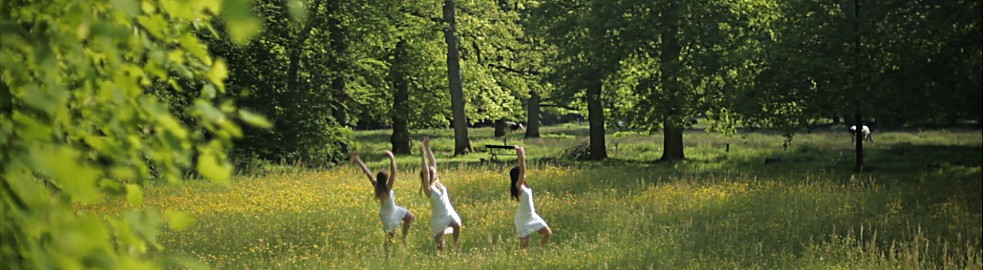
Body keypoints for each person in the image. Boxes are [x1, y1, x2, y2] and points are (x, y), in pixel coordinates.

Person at [351, 150, 415, 244]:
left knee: (410, 217)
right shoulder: (387, 189)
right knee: (390, 238)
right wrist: (392, 158)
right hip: (388, 214)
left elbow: (367, 172)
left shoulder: (376, 186)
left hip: (392, 210)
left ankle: (403, 239)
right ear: (385, 180)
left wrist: (358, 160)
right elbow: (393, 173)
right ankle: (389, 253)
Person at [418, 137, 462, 251]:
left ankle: (454, 246)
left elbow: (433, 163)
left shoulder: (437, 182)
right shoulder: (428, 189)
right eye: (434, 173)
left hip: (449, 213)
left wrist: (428, 148)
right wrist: (422, 155)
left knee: (457, 225)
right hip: (438, 219)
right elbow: (426, 171)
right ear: (430, 176)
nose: (437, 173)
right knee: (440, 247)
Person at [509, 146, 552, 248]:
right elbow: (523, 171)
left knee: (548, 233)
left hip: (532, 216)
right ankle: (522, 261)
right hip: (522, 218)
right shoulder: (518, 187)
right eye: (520, 175)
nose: (524, 175)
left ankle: (540, 250)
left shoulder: (524, 186)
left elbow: (523, 172)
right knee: (524, 246)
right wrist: (521, 155)